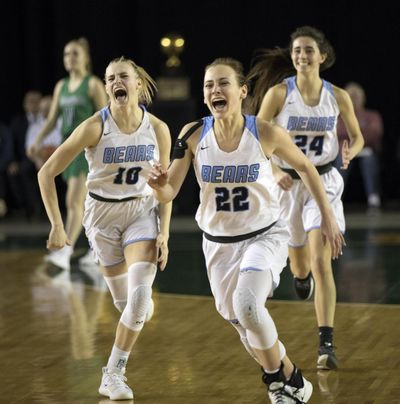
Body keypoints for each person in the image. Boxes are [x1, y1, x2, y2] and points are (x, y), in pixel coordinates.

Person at [148, 57, 344, 403]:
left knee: (248, 305)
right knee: (241, 321)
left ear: (241, 91)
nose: (214, 90)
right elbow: (169, 192)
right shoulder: (193, 135)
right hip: (218, 245)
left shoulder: (264, 132)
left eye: (223, 83)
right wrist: (156, 184)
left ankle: (276, 385)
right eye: (209, 85)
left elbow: (307, 168)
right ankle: (292, 378)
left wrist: (327, 216)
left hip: (264, 236)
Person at [37, 56, 172, 400]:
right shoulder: (95, 126)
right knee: (125, 303)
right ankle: (135, 309)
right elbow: (46, 172)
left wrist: (165, 232)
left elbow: (164, 187)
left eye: (122, 77)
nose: (115, 83)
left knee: (139, 300)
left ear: (137, 84)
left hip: (141, 212)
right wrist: (56, 224)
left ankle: (113, 372)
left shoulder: (158, 129)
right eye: (110, 78)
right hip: (101, 217)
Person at [246, 25, 364, 370]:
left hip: (324, 182)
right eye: (297, 49)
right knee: (299, 265)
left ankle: (326, 343)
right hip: (288, 186)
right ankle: (300, 278)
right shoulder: (279, 94)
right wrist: (275, 170)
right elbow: (257, 138)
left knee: (320, 258)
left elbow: (356, 137)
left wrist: (349, 152)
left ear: (322, 56)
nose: (301, 55)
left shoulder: (337, 96)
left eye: (308, 49)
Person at [28, 38, 108, 271]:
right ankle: (96, 249)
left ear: (85, 58)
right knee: (83, 202)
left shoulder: (92, 84)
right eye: (66, 54)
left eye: (74, 53)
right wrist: (38, 140)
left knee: (73, 200)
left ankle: (65, 250)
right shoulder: (61, 86)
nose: (69, 58)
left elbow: (105, 117)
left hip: (86, 147)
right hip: (67, 147)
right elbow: (52, 118)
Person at [334, 82, 383, 210]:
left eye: (357, 96)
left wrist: (355, 136)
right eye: (351, 96)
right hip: (344, 151)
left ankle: (373, 197)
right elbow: (337, 133)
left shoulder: (372, 116)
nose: (354, 99)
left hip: (366, 151)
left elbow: (375, 133)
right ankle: (336, 196)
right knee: (341, 160)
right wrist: (358, 133)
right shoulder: (339, 117)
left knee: (369, 160)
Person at [8, 90, 44, 220]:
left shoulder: (47, 120)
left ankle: (42, 209)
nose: (34, 105)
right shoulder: (17, 122)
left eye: (37, 102)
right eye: (31, 102)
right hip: (25, 159)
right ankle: (29, 208)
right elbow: (12, 144)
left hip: (47, 158)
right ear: (25, 105)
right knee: (22, 170)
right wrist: (12, 161)